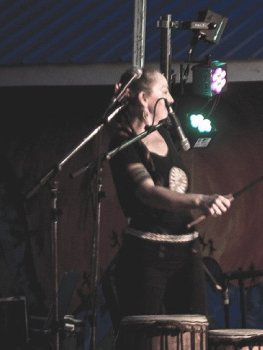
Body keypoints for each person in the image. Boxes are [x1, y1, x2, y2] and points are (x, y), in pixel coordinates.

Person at [108, 66, 232, 318]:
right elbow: (148, 192)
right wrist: (200, 200)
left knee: (193, 331)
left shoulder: (165, 133)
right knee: (143, 336)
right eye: (164, 91)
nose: (172, 99)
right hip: (147, 255)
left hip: (186, 252)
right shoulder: (123, 141)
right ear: (143, 98)